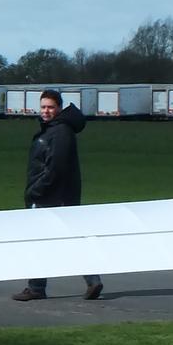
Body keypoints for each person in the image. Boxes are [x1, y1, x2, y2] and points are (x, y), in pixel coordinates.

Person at [11, 89, 104, 301]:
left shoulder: (60, 131)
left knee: (37, 240)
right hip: (59, 196)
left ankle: (36, 287)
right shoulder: (53, 130)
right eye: (43, 107)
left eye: (50, 107)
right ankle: (92, 280)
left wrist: (35, 191)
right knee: (67, 238)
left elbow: (56, 168)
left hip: (52, 197)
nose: (46, 111)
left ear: (59, 108)